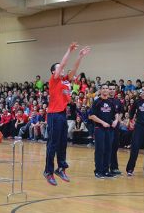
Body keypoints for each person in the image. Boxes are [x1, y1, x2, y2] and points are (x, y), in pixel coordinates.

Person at [43, 42, 90, 186]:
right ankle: (48, 171)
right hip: (53, 115)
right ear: (53, 72)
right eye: (58, 68)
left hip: (62, 114)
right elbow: (63, 65)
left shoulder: (65, 81)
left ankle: (61, 168)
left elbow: (74, 69)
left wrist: (80, 57)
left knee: (63, 143)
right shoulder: (54, 80)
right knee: (53, 144)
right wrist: (69, 50)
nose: (62, 69)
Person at [89, 84, 119, 179]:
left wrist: (116, 121)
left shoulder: (111, 102)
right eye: (104, 88)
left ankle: (106, 171)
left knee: (108, 150)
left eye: (107, 88)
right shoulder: (97, 102)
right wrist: (102, 123)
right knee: (100, 150)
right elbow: (91, 116)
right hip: (99, 129)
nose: (106, 90)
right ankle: (98, 171)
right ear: (100, 90)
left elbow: (116, 114)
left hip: (109, 130)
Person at [108, 83, 123, 175]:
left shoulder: (118, 101)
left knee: (114, 147)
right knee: (107, 148)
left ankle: (114, 168)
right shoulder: (104, 100)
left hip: (116, 128)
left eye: (113, 89)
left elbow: (120, 112)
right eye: (110, 89)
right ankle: (105, 167)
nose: (112, 90)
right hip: (106, 128)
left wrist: (117, 121)